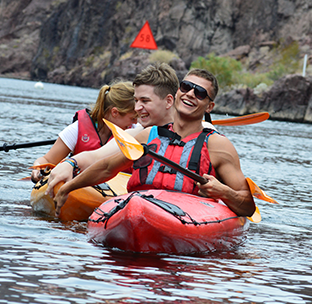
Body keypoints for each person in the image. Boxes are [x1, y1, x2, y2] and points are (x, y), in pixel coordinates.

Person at [52, 68, 256, 217]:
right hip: (138, 208)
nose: (191, 94)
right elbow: (106, 167)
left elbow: (248, 206)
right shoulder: (146, 136)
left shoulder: (218, 146)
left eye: (200, 93)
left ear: (209, 106)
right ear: (176, 93)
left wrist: (224, 192)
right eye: (186, 87)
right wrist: (67, 188)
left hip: (185, 218)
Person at [44, 62, 181, 190]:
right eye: (135, 101)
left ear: (169, 101)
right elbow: (97, 157)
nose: (137, 108)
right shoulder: (137, 134)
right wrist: (70, 163)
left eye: (145, 101)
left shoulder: (200, 133)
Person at [30, 80, 137, 182]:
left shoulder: (136, 131)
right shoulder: (77, 129)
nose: (136, 122)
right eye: (133, 118)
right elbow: (47, 160)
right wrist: (38, 167)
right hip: (82, 190)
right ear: (115, 113)